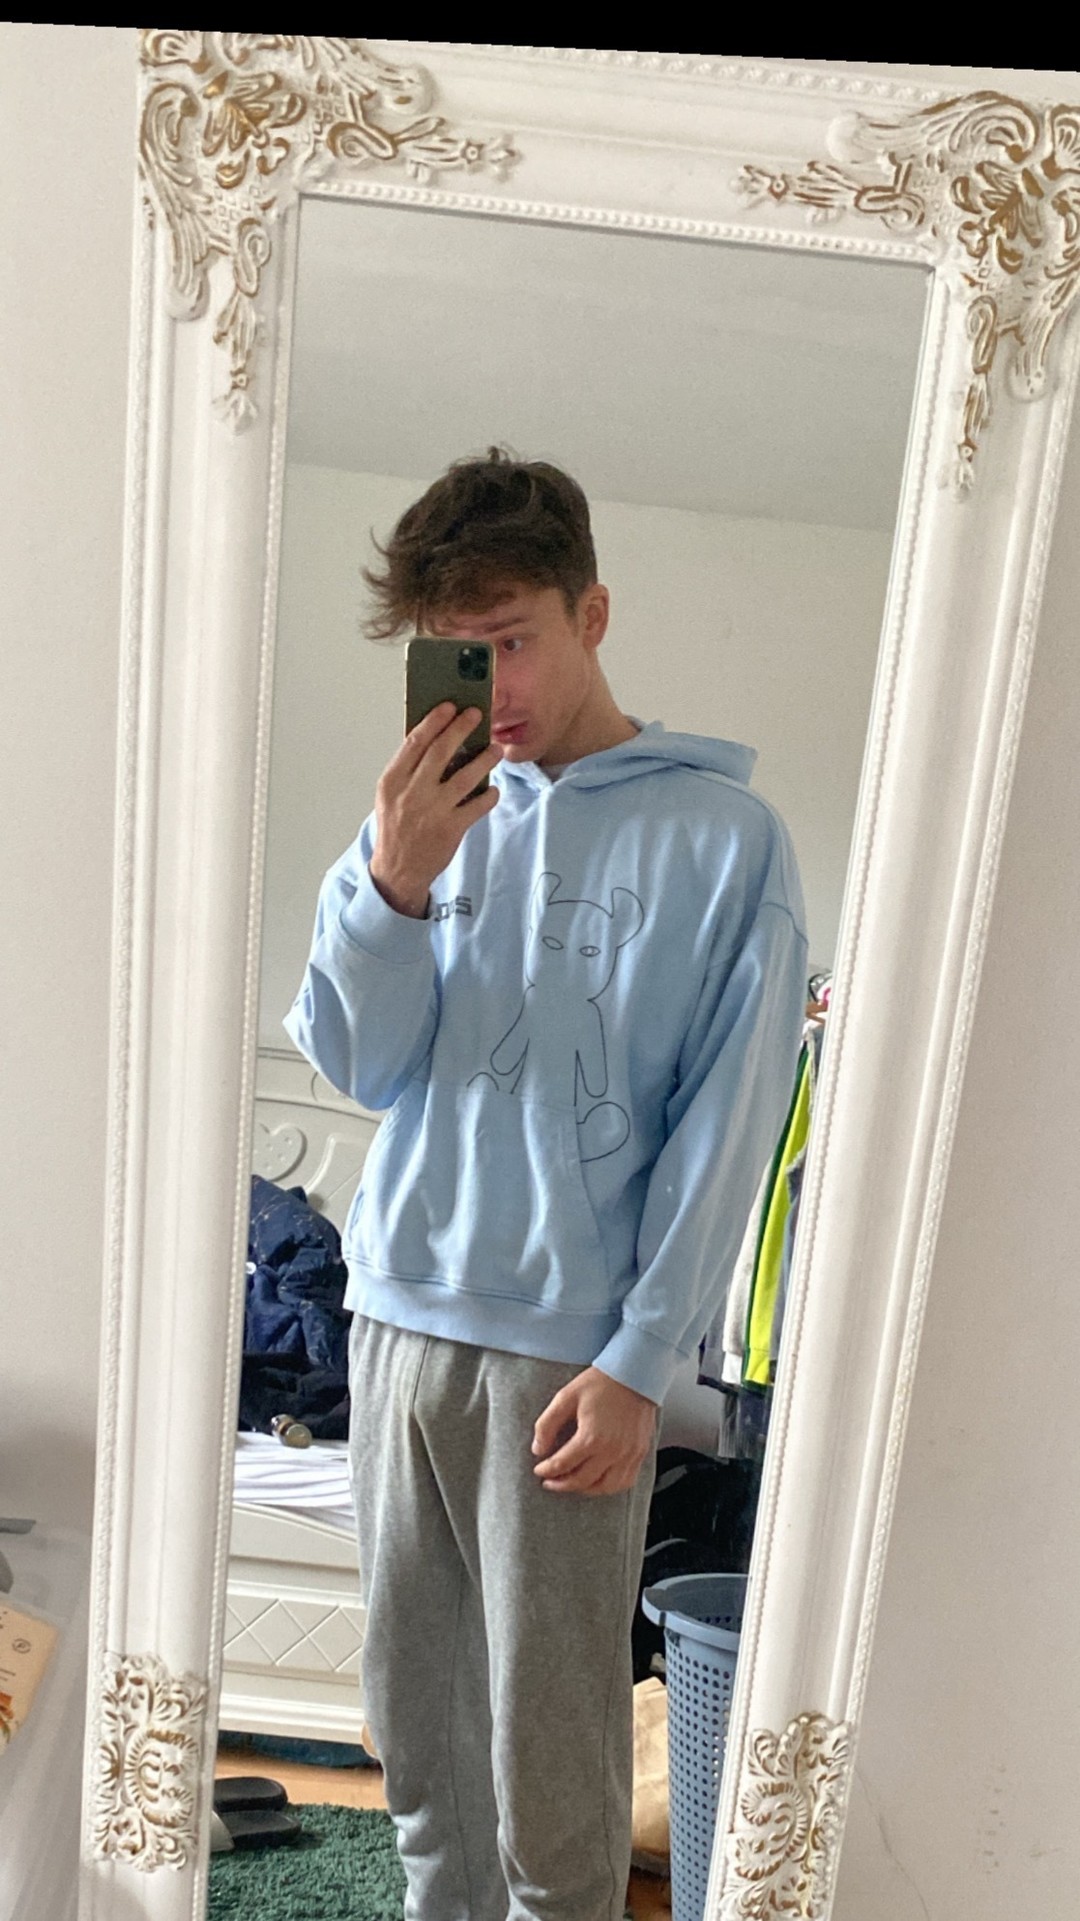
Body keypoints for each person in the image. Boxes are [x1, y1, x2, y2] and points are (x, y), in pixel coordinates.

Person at [284, 449, 807, 1921]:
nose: (489, 686)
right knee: (417, 1725)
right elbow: (360, 1063)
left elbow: (730, 1120)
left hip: (570, 1359)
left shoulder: (725, 840)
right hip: (396, 1318)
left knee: (553, 1753)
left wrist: (644, 1359)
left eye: (510, 639)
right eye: (455, 650)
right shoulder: (419, 817)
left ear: (593, 612)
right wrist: (395, 885)